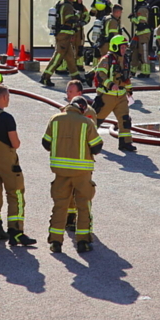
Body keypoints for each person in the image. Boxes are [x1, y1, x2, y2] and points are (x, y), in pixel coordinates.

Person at [44, 96, 103, 254]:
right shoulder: (87, 122)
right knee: (83, 206)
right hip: (82, 173)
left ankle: (55, 242)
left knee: (60, 206)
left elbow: (46, 143)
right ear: (82, 108)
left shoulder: (55, 119)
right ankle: (83, 242)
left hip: (60, 172)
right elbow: (97, 147)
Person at [0, 85, 37, 246]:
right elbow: (15, 143)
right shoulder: (7, 118)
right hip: (6, 159)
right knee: (15, 194)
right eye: (8, 97)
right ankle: (16, 232)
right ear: (4, 97)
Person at [94, 35, 137, 152]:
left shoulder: (125, 60)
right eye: (122, 47)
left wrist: (129, 90)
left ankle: (125, 143)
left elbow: (126, 78)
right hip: (107, 97)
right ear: (115, 47)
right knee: (96, 119)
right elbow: (100, 75)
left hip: (121, 96)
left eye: (125, 47)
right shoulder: (106, 59)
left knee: (125, 119)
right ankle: (87, 139)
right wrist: (111, 85)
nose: (124, 50)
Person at [63, 80, 95, 232]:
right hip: (67, 157)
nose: (68, 94)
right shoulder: (65, 110)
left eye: (71, 92)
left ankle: (83, 221)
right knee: (67, 191)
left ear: (79, 94)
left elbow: (90, 137)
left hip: (82, 160)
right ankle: (70, 218)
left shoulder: (88, 112)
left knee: (82, 192)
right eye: (67, 91)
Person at [41, 0, 85, 86]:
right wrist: (77, 15)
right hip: (64, 35)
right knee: (58, 57)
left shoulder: (62, 4)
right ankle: (45, 77)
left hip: (64, 34)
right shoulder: (68, 6)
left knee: (70, 57)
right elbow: (69, 19)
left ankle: (76, 77)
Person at [129, 0, 153, 77]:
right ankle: (132, 71)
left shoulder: (142, 9)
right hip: (139, 33)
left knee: (143, 53)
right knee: (134, 52)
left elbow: (141, 23)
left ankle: (146, 72)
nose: (135, 0)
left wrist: (132, 19)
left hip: (143, 34)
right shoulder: (140, 7)